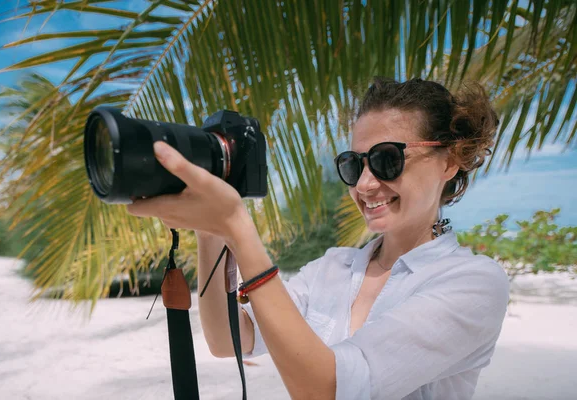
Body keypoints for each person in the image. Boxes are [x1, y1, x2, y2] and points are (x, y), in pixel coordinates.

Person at [127, 77, 510, 400]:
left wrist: (239, 228)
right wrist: (210, 233)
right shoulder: (334, 268)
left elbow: (327, 389)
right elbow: (229, 340)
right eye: (353, 164)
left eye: (387, 159)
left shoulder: (472, 282)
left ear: (449, 161)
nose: (364, 183)